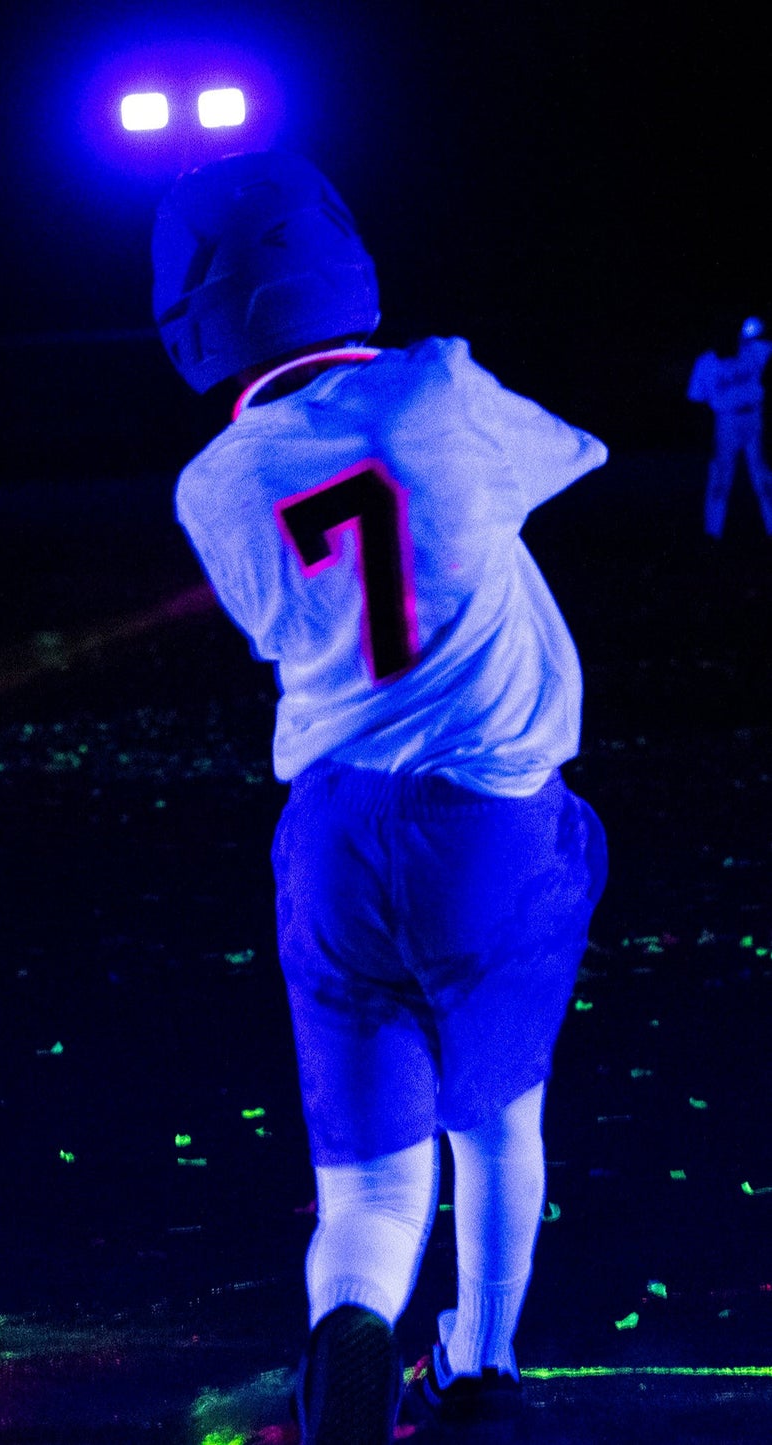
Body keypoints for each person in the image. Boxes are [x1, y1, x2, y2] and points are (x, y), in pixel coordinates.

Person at [151, 151, 609, 1443]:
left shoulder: (211, 483)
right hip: (489, 823)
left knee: (365, 1179)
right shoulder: (438, 387)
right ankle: (478, 1364)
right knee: (495, 1114)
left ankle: (352, 1323)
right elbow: (564, 458)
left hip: (333, 835)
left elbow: (285, 614)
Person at [687, 317, 772, 539]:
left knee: (763, 476)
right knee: (719, 477)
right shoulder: (706, 362)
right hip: (726, 421)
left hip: (754, 416)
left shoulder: (754, 349)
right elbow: (696, 399)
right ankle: (712, 534)